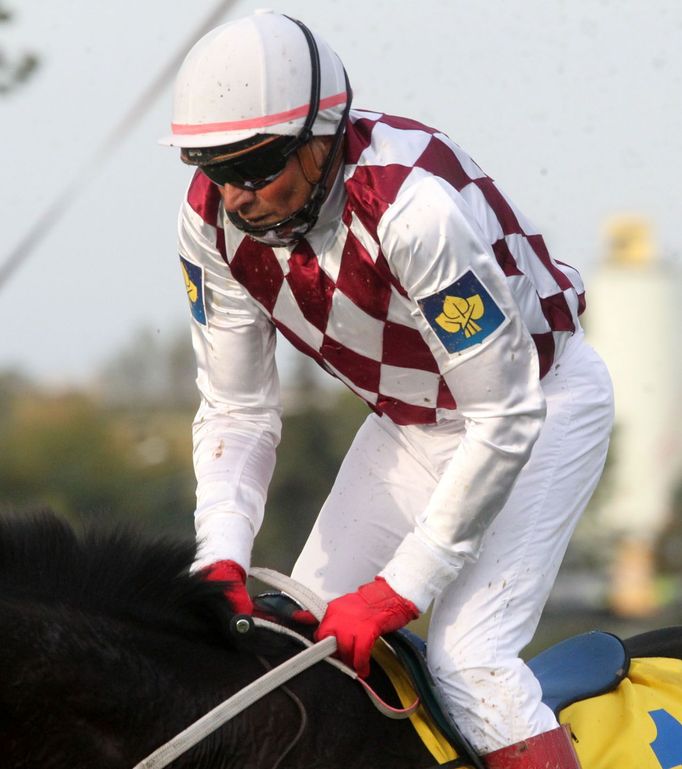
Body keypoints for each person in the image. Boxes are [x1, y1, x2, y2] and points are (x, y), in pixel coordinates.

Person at [161, 11, 613, 768]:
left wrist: (399, 589)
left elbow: (503, 417)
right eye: (214, 168)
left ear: (320, 138)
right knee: (294, 659)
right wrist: (221, 558)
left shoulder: (412, 208)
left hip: (540, 401)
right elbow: (238, 410)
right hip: (410, 423)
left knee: (469, 663)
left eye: (256, 167)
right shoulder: (209, 224)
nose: (236, 196)